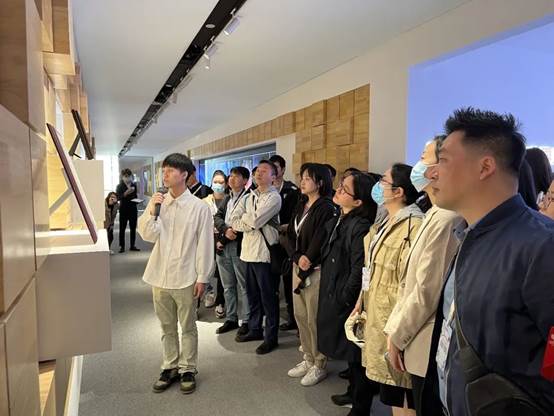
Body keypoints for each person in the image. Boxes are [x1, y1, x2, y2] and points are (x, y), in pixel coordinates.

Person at [423, 108, 554, 415]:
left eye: (443, 160)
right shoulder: (469, 234)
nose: (431, 173)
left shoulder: (541, 246)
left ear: (485, 167)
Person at [383, 136, 460, 416]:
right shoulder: (434, 211)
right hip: (410, 328)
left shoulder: (448, 217)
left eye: (424, 156)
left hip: (423, 334)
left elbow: (426, 290)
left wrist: (398, 335)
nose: (418, 163)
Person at [137, 153, 214, 395]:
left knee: (188, 326)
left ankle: (188, 368)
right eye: (164, 171)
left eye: (170, 170)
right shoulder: (159, 203)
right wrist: (152, 209)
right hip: (160, 274)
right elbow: (148, 235)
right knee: (166, 326)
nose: (165, 175)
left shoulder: (199, 207)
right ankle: (169, 366)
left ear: (184, 174)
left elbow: (205, 244)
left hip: (186, 275)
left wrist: (203, 276)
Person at [359, 163, 424, 415]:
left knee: (402, 390)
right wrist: (361, 299)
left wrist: (399, 330)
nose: (378, 186)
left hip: (395, 320)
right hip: (378, 311)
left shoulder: (413, 225)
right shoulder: (387, 220)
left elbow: (412, 285)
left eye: (383, 181)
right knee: (392, 391)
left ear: (398, 192)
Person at [317, 172, 378, 415]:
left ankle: (361, 406)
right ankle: (352, 392)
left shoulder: (360, 225)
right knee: (350, 353)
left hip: (350, 300)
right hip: (338, 292)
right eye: (340, 186)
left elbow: (359, 268)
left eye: (345, 189)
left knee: (356, 353)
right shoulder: (342, 218)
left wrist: (346, 297)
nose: (338, 191)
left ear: (358, 201)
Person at [285, 163, 337, 386]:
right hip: (298, 265)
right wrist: (297, 257)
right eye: (302, 177)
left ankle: (319, 362)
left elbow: (321, 238)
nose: (303, 181)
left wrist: (307, 259)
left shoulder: (326, 207)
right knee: (300, 315)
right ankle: (307, 357)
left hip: (314, 270)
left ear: (320, 182)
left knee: (313, 317)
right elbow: (289, 234)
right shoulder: (301, 204)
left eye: (308, 178)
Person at [231, 160, 282, 354]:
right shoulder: (248, 196)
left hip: (264, 254)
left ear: (273, 177)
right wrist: (247, 221)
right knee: (252, 295)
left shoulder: (274, 198)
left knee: (268, 298)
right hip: (247, 253)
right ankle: (254, 329)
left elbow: (255, 221)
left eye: (264, 171)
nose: (258, 173)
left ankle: (271, 337)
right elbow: (233, 220)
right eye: (257, 171)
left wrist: (246, 220)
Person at [213, 166, 251, 335]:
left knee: (243, 286)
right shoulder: (228, 197)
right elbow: (217, 217)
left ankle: (246, 320)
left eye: (236, 176)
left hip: (238, 246)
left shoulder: (249, 198)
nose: (232, 179)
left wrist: (225, 237)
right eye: (231, 176)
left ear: (245, 181)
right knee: (228, 286)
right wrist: (225, 230)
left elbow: (245, 223)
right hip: (224, 246)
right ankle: (231, 318)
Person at [269, 155, 301, 331]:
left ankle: (292, 317)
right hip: (270, 242)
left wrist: (286, 227)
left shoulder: (292, 190)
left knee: (289, 281)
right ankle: (272, 316)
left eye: (276, 168)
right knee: (271, 280)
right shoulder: (263, 191)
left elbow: (296, 216)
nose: (273, 171)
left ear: (282, 169)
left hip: (287, 241)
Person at [202, 170, 228, 318]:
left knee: (221, 271)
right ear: (211, 182)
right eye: (215, 182)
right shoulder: (204, 201)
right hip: (207, 237)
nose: (218, 184)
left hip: (224, 238)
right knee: (203, 268)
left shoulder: (229, 200)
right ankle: (207, 292)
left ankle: (220, 302)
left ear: (226, 184)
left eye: (221, 182)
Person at [116, 168, 140, 253]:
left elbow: (135, 196)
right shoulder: (119, 186)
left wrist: (137, 200)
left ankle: (132, 245)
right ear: (122, 177)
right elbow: (118, 197)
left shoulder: (134, 185)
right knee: (122, 228)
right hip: (124, 209)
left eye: (129, 176)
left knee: (133, 228)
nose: (127, 178)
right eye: (125, 176)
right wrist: (126, 193)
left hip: (133, 209)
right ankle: (121, 246)